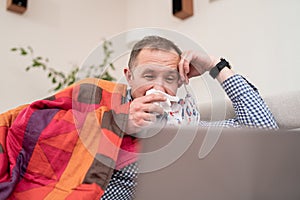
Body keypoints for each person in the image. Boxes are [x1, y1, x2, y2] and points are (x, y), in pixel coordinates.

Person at [100, 35, 278, 200]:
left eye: (169, 78)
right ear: (129, 77)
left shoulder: (189, 126)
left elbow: (263, 131)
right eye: (148, 76)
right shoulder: (99, 115)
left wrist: (214, 65)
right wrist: (119, 125)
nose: (159, 88)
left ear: (180, 81)